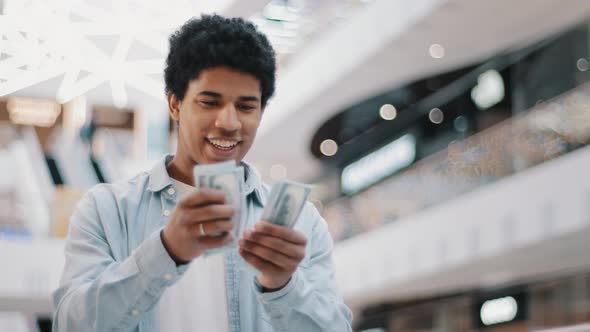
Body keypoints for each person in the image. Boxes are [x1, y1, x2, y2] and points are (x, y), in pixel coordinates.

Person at [52, 14, 353, 332]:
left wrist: (283, 286)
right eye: (210, 102)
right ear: (175, 104)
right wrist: (166, 250)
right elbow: (71, 325)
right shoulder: (106, 210)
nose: (229, 122)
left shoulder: (303, 223)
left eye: (247, 107)